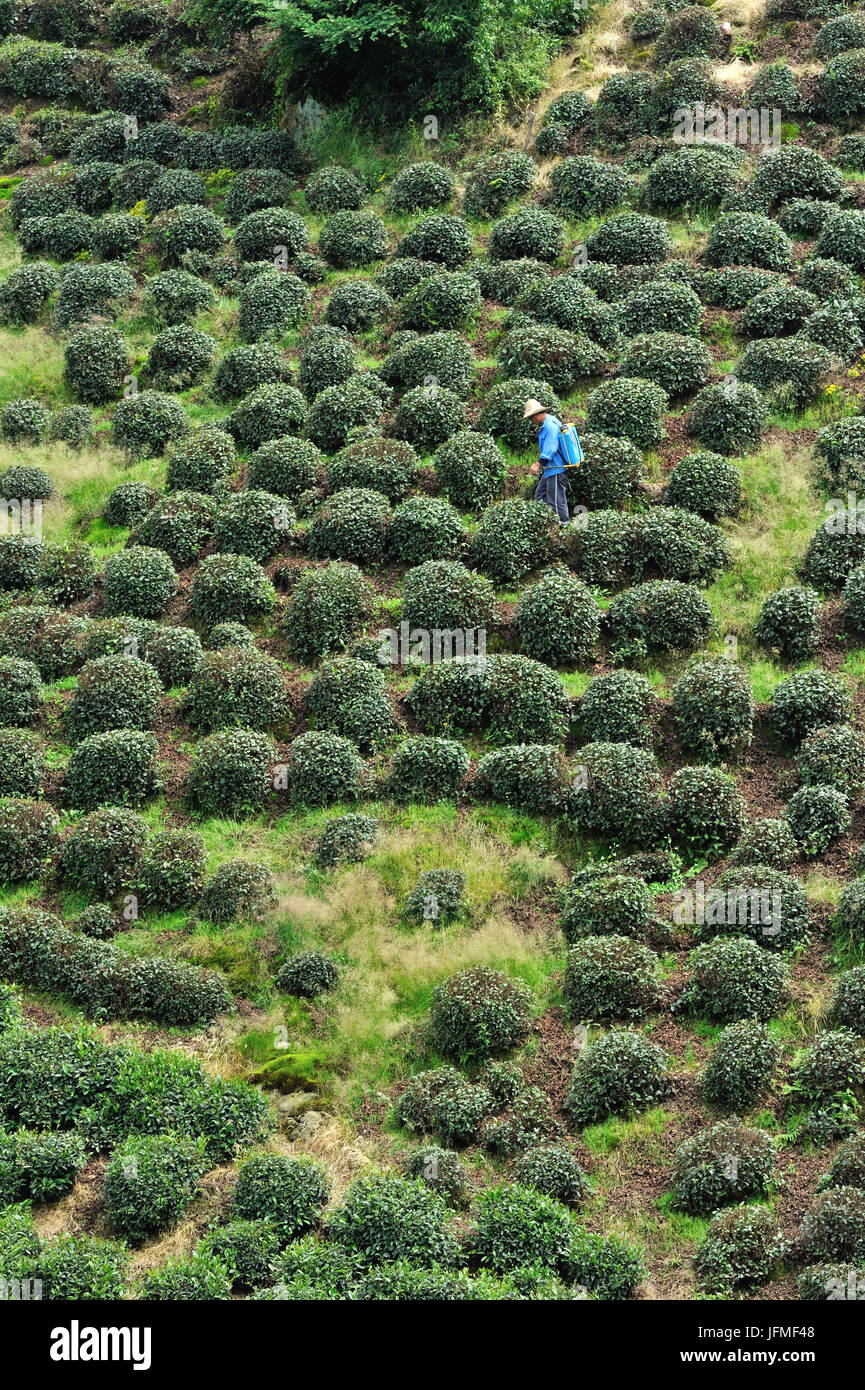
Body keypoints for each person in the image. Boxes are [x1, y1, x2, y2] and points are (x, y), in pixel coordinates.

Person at [523, 398, 570, 524]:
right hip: (550, 469)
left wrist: (538, 464)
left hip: (555, 468)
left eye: (531, 418)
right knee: (540, 494)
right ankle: (547, 521)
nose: (531, 421)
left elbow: (551, 448)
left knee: (556, 499)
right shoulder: (549, 421)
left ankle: (563, 525)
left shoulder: (549, 425)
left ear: (537, 415)